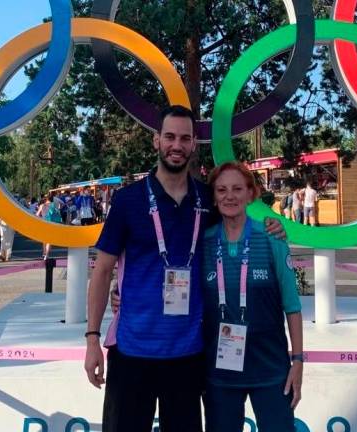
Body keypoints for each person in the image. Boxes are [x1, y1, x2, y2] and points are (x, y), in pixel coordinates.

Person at [84, 105, 285, 432]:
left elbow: (239, 223)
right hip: (133, 352)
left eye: (185, 138)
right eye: (170, 137)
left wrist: (272, 226)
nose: (176, 145)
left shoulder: (207, 199)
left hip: (188, 355)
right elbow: (103, 270)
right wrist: (92, 339)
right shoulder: (128, 200)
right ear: (156, 141)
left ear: (194, 145)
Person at [201, 162, 303, 432]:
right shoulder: (204, 243)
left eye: (237, 189)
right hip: (219, 372)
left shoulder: (271, 237)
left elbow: (292, 305)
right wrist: (120, 293)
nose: (229, 196)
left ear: (251, 194)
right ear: (213, 196)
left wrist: (298, 361)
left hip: (270, 368)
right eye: (221, 190)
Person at [36, 192, 63, 259]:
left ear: (46, 199)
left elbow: (37, 215)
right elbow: (58, 212)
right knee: (49, 240)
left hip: (43, 223)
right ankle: (47, 255)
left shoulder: (42, 205)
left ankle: (44, 253)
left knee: (44, 239)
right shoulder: (53, 205)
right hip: (51, 224)